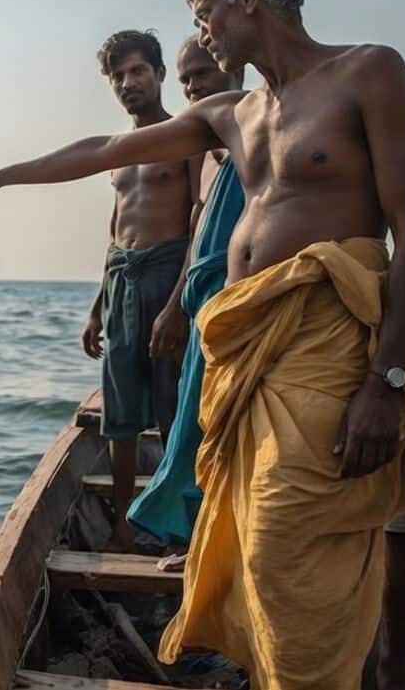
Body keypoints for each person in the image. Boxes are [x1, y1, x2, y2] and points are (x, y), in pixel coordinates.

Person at [0, 0, 405, 690]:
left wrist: (388, 382)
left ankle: (359, 664)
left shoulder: (369, 73)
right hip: (246, 352)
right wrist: (0, 176)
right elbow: (103, 149)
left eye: (204, 6)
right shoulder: (232, 115)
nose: (200, 26)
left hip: (330, 348)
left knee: (284, 542)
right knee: (255, 543)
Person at [125, 37, 242, 567]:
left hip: (239, 305)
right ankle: (196, 544)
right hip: (204, 303)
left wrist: (174, 305)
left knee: (220, 430)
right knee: (196, 431)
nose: (193, 86)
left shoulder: (250, 137)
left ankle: (213, 550)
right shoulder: (213, 144)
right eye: (187, 78)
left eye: (201, 74)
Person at [79, 29, 196, 553]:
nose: (129, 83)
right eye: (118, 76)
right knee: (119, 414)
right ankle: (123, 526)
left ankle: (174, 527)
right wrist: (97, 303)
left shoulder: (189, 135)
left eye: (138, 71)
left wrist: (177, 303)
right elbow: (116, 227)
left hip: (169, 274)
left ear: (159, 74)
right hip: (124, 278)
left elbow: (197, 224)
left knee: (175, 407)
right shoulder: (119, 152)